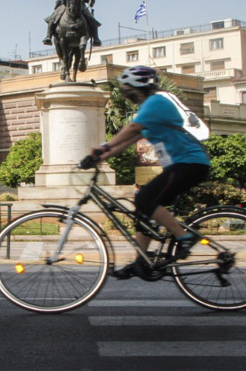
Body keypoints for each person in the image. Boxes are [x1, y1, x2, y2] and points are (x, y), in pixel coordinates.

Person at [88, 66, 211, 279]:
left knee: (144, 199)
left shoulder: (156, 102)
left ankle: (184, 237)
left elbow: (132, 128)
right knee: (143, 211)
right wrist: (98, 157)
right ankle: (141, 262)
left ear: (138, 88)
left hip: (189, 163)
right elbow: (126, 142)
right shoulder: (149, 109)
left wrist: (104, 146)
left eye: (128, 90)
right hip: (181, 165)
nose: (126, 95)